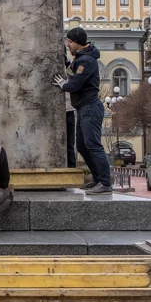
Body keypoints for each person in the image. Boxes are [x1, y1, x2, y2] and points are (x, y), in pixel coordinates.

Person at [55, 27, 112, 195]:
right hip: (83, 108)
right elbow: (73, 72)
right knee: (82, 145)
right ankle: (97, 179)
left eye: (69, 42)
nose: (68, 44)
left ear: (77, 43)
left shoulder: (86, 60)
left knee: (93, 145)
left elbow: (75, 84)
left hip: (90, 107)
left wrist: (63, 85)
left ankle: (105, 183)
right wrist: (66, 63)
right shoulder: (80, 58)